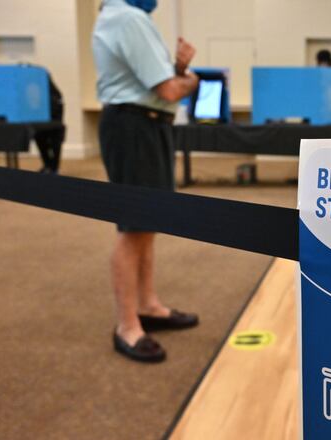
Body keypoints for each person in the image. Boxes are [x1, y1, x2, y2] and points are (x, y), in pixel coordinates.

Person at [92, 0, 200, 363]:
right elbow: (169, 90)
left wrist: (178, 69)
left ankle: (148, 306)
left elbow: (159, 81)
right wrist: (190, 79)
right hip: (134, 127)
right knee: (133, 227)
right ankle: (127, 326)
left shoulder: (126, 17)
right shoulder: (128, 17)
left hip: (146, 125)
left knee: (146, 224)